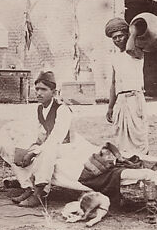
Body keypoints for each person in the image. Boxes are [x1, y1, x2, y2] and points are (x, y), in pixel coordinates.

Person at [10, 71, 94, 207]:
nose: (39, 93)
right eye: (37, 89)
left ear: (54, 92)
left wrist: (34, 152)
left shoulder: (62, 110)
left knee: (46, 153)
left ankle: (40, 193)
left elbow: (56, 138)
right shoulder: (40, 109)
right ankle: (28, 187)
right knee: (18, 151)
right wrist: (26, 149)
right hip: (54, 145)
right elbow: (38, 134)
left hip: (70, 147)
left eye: (43, 89)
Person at [105, 17, 149, 155]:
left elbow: (129, 49)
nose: (117, 40)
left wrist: (134, 32)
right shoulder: (115, 58)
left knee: (138, 136)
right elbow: (113, 84)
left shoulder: (137, 52)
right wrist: (110, 106)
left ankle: (142, 161)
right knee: (121, 138)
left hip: (134, 99)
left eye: (120, 36)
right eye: (114, 38)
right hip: (121, 101)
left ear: (127, 35)